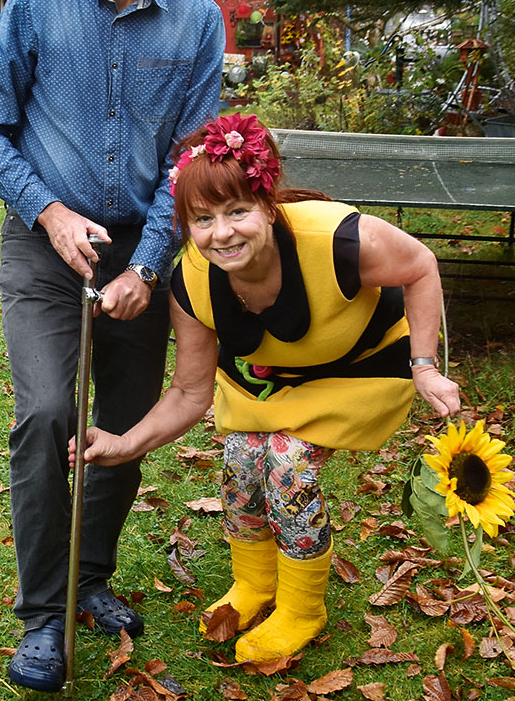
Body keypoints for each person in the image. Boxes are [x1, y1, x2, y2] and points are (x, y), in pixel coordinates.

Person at [0, 0, 225, 692]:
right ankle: (43, 614)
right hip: (44, 241)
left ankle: (90, 579)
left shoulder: (199, 21)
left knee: (125, 418)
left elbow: (189, 166)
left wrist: (147, 264)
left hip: (141, 251)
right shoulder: (36, 2)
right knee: (46, 413)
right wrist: (51, 210)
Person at [72, 112, 460, 664]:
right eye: (202, 219)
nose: (221, 232)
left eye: (237, 211)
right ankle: (254, 584)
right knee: (241, 456)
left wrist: (426, 365)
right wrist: (123, 445)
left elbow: (420, 266)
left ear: (268, 205)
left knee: (286, 462)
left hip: (362, 366)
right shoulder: (191, 278)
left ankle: (303, 608)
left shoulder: (338, 238)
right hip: (273, 380)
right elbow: (189, 392)